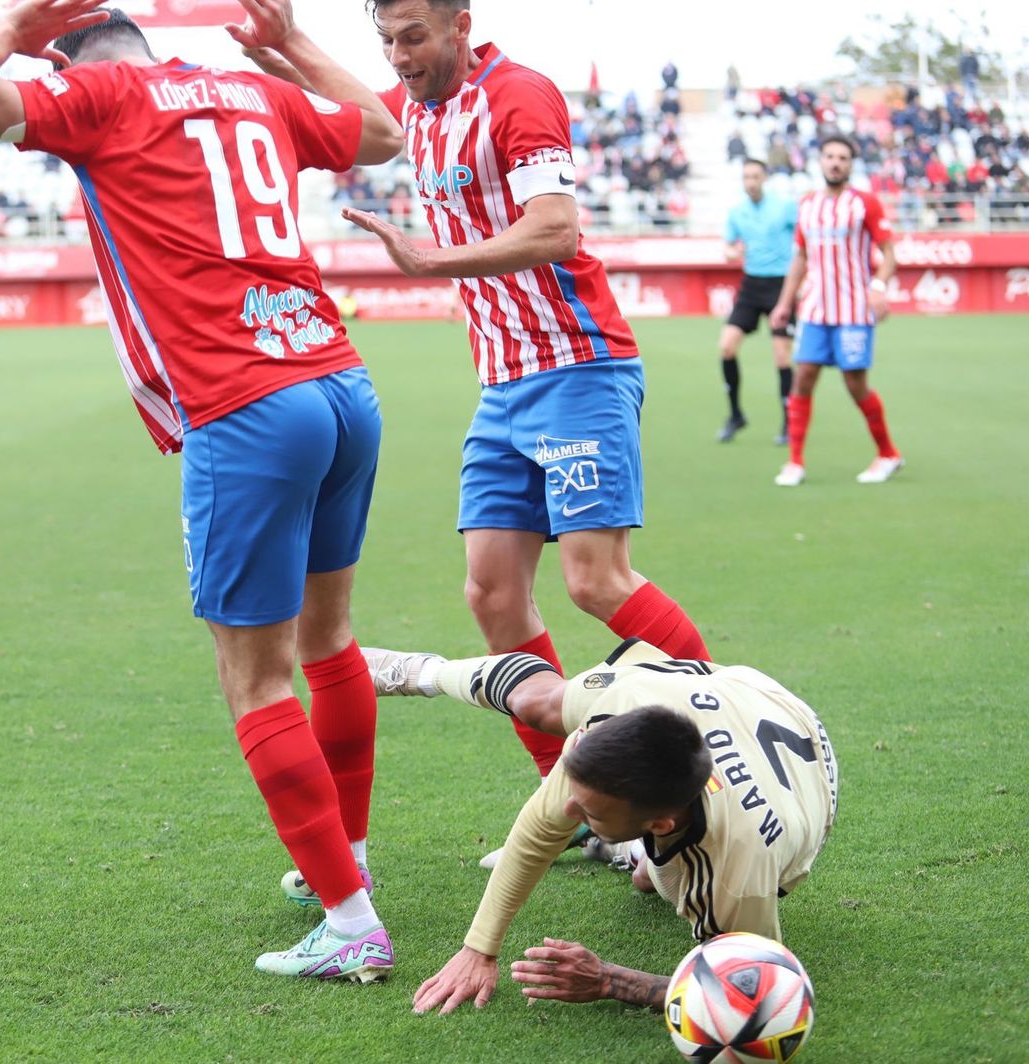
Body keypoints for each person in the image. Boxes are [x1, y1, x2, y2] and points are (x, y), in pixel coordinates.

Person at [0, 0, 407, 981]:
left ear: (67, 58)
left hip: (248, 404)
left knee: (255, 675)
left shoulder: (97, 93)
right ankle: (339, 862)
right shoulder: (247, 88)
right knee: (328, 640)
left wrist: (12, 29)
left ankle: (351, 919)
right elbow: (387, 132)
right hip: (340, 381)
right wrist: (291, 48)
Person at [247, 0, 710, 816]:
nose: (398, 56)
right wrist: (285, 45)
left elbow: (557, 228)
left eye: (414, 36)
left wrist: (437, 261)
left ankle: (717, 752)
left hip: (577, 366)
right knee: (492, 597)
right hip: (501, 386)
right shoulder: (424, 107)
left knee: (595, 580)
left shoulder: (516, 95)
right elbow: (358, 104)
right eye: (386, 40)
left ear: (461, 23)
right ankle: (573, 803)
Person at [363, 638, 836, 1014]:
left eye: (587, 813)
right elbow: (536, 833)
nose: (569, 813)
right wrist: (478, 949)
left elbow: (749, 991)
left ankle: (633, 853)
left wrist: (611, 980)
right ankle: (420, 671)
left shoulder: (737, 873)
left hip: (803, 764)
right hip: (724, 693)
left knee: (658, 884)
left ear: (659, 822)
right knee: (541, 704)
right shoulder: (616, 716)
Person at [769, 135, 903, 486]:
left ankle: (888, 454)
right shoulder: (808, 205)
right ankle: (795, 462)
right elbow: (800, 257)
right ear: (820, 161)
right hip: (814, 309)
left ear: (851, 164)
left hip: (854, 311)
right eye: (829, 156)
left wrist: (878, 287)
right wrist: (785, 303)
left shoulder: (865, 204)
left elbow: (889, 254)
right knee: (802, 378)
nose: (835, 162)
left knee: (855, 384)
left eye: (842, 157)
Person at [718, 159, 797, 445]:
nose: (750, 181)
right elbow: (728, 245)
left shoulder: (785, 207)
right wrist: (731, 252)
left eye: (755, 176)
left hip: (781, 286)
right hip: (751, 285)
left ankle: (790, 422)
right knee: (727, 346)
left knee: (782, 356)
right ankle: (735, 414)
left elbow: (803, 237)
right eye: (746, 177)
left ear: (765, 178)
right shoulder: (737, 211)